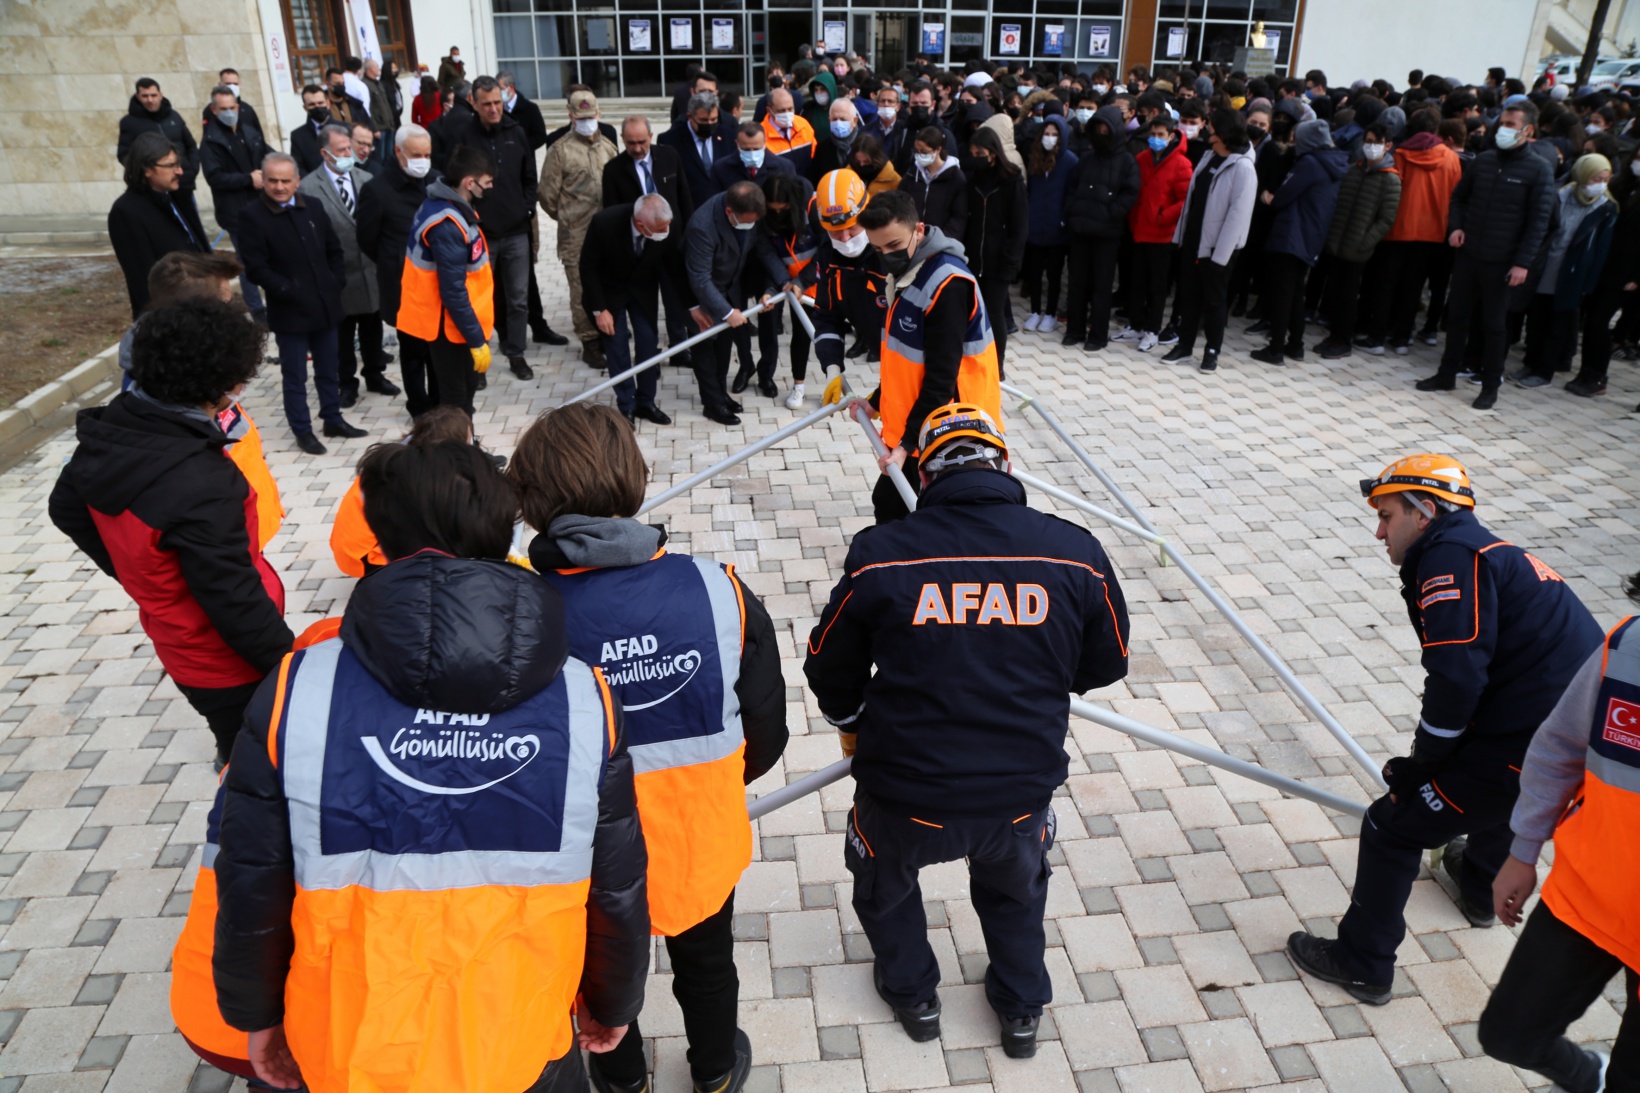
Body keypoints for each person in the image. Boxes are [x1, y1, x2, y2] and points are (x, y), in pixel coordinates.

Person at [211, 439, 649, 1093]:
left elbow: (252, 880)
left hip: (347, 1040)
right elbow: (615, 884)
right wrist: (611, 1001)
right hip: (518, 1036)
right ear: (504, 528)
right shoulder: (585, 696)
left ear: (382, 536)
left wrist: (257, 1015)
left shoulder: (297, 688)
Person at [804, 403, 1130, 1059]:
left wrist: (853, 720)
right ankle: (1020, 1011)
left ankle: (913, 995)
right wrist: (1028, 671)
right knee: (1016, 895)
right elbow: (1108, 661)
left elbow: (826, 661)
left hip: (906, 794)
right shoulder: (1075, 552)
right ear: (1005, 466)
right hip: (1019, 794)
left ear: (923, 474)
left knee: (883, 886)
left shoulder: (882, 554)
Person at [511, 401, 790, 1093]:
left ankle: (624, 1079)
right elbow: (767, 732)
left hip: (582, 862)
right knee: (708, 959)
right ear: (634, 478)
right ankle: (717, 1069)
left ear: (532, 501)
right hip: (700, 838)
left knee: (597, 979)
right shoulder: (719, 589)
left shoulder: (518, 612)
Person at [1287, 455, 1602, 1005]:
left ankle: (1362, 962)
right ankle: (1478, 887)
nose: (1379, 531)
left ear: (1425, 513)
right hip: (1563, 733)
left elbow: (1456, 678)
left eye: (1387, 516)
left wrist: (1421, 768)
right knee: (1501, 784)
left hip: (1532, 738)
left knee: (1392, 823)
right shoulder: (1485, 549)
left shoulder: (1449, 561)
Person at [48, 297, 292, 768]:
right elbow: (233, 601)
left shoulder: (116, 425)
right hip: (228, 661)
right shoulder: (202, 482)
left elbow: (66, 506)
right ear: (215, 383)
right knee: (262, 753)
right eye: (239, 379)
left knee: (230, 731)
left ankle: (230, 757)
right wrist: (290, 665)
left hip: (178, 645)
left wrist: (144, 577)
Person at [1477, 572, 1640, 1093]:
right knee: (1508, 1035)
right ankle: (1582, 1074)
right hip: (1588, 899)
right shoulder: (1628, 646)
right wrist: (1521, 852)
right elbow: (1559, 748)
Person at [853, 190, 1001, 522]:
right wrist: (876, 401)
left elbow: (941, 378)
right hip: (924, 427)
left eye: (893, 245)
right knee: (892, 507)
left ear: (918, 230)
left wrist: (906, 445)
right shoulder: (909, 272)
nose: (886, 256)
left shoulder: (947, 284)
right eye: (877, 249)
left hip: (952, 431)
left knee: (928, 518)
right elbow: (906, 362)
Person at [1416, 102, 1557, 410]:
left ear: (1527, 130)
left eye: (1509, 124)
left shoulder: (1538, 170)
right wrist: (1456, 227)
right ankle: (1446, 374)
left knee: (1494, 325)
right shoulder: (1484, 160)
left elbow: (1539, 223)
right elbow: (1460, 197)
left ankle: (1490, 384)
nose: (1501, 129)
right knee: (1457, 318)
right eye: (1502, 123)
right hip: (1469, 254)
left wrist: (1523, 263)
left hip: (1504, 263)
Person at [237, 152, 368, 454]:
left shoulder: (314, 207)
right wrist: (288, 290)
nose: (280, 187)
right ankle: (302, 430)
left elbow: (334, 250)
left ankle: (332, 419)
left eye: (286, 181)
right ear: (263, 181)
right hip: (289, 311)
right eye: (273, 180)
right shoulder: (252, 216)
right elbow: (256, 267)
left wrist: (335, 283)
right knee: (295, 375)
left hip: (325, 306)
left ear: (297, 181)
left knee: (329, 369)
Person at [298, 124, 397, 410]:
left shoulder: (366, 179)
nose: (348, 154)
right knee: (343, 335)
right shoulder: (309, 187)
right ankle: (347, 383)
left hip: (369, 270)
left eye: (348, 149)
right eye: (341, 150)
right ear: (325, 153)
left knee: (372, 328)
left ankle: (375, 374)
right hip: (338, 275)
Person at [450, 76, 538, 382]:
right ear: (473, 103)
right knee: (479, 299)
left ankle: (516, 353)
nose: (493, 109)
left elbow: (530, 176)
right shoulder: (462, 135)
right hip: (479, 234)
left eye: (498, 102)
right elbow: (455, 182)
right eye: (486, 103)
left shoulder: (517, 131)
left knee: (518, 297)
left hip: (516, 231)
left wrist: (527, 207)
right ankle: (479, 358)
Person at [684, 181, 793, 426]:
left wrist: (783, 282)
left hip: (729, 288)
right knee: (705, 351)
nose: (749, 226)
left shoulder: (750, 210)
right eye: (745, 221)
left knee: (723, 349)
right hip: (700, 295)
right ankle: (712, 405)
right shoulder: (702, 226)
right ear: (729, 212)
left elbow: (764, 249)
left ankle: (720, 395)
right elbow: (700, 278)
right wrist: (725, 310)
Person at [399, 144, 497, 416]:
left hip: (451, 323)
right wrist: (476, 339)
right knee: (457, 401)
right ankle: (456, 455)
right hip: (447, 326)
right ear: (470, 182)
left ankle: (467, 451)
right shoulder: (448, 224)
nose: (489, 188)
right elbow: (453, 291)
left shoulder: (443, 204)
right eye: (487, 183)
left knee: (463, 398)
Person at [1161, 109, 1257, 373]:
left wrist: (1220, 257)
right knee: (1189, 296)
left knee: (1214, 301)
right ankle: (1184, 345)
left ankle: (1212, 350)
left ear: (1225, 134)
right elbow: (1192, 201)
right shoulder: (1208, 156)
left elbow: (1237, 217)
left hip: (1218, 248)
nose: (1207, 134)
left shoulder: (1243, 168)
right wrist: (1179, 236)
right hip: (1194, 239)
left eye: (1212, 130)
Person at [328, 405, 475, 577]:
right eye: (469, 440)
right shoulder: (412, 476)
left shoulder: (402, 456)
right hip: (364, 557)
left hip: (354, 548)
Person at [1362, 108, 1463, 354]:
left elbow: (1390, 193)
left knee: (1386, 284)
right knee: (1413, 286)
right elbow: (1456, 196)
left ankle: (1376, 338)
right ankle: (1401, 339)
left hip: (1398, 228)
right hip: (1432, 233)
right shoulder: (1451, 159)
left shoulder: (1401, 155)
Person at [1249, 119, 1348, 366]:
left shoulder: (1309, 163)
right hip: (1310, 236)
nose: (1293, 142)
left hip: (1291, 235)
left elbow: (1282, 197)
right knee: (1295, 292)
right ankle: (1296, 345)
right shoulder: (1331, 163)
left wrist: (1270, 197)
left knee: (1282, 293)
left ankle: (1275, 350)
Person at [1516, 154, 1617, 389]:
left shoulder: (1606, 209)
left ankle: (1544, 371)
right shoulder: (1561, 196)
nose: (1600, 183)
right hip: (1546, 266)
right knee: (1537, 320)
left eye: (1605, 178)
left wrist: (1587, 285)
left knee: (1557, 326)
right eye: (1595, 178)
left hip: (1572, 274)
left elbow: (1600, 252)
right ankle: (1530, 364)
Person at [580, 195, 683, 424]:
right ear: (640, 225)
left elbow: (674, 267)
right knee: (616, 348)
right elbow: (588, 267)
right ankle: (626, 403)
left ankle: (646, 402)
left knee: (648, 343)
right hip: (610, 292)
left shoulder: (666, 223)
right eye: (659, 228)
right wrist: (599, 310)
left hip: (643, 290)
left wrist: (690, 307)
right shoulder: (604, 223)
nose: (665, 231)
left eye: (667, 226)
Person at [606, 114, 698, 370]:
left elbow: (684, 198)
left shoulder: (670, 156)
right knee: (645, 306)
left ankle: (679, 348)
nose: (636, 148)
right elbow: (612, 213)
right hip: (639, 251)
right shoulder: (613, 170)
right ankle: (649, 357)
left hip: (672, 243)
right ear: (623, 140)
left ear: (651, 137)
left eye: (641, 142)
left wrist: (689, 237)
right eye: (630, 143)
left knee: (675, 300)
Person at [358, 123, 437, 415]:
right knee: (414, 353)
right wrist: (393, 262)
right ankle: (418, 407)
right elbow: (367, 239)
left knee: (437, 353)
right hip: (403, 287)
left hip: (436, 286)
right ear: (398, 152)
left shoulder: (436, 182)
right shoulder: (376, 190)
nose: (422, 161)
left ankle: (441, 404)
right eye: (416, 154)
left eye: (427, 155)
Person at [540, 89, 618, 371]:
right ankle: (590, 343)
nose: (587, 121)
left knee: (608, 284)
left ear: (598, 114)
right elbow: (547, 197)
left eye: (590, 116)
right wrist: (568, 219)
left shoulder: (608, 146)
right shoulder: (559, 151)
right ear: (570, 115)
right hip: (576, 235)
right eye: (580, 116)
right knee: (581, 290)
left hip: (606, 233)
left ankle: (608, 332)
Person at [1314, 121, 1402, 359]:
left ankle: (1343, 340)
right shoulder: (1353, 169)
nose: (1371, 146)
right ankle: (1333, 336)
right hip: (1337, 242)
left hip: (1358, 248)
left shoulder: (1390, 179)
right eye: (1368, 141)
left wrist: (1365, 242)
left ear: (1388, 146)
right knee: (1333, 292)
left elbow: (1386, 219)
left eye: (1377, 142)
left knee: (1348, 296)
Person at [1060, 105, 1140, 352]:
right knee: (1077, 284)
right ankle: (1074, 329)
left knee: (1101, 288)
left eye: (1106, 128)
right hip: (1081, 230)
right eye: (1098, 128)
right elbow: (1072, 188)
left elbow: (1130, 193)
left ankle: (1098, 334)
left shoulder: (1127, 161)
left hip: (1107, 234)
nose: (1102, 133)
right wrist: (1072, 211)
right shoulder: (1087, 158)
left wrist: (1110, 212)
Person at [108, 132, 210, 319]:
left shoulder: (177, 195)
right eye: (171, 165)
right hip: (173, 319)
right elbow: (143, 280)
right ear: (147, 169)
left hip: (203, 307)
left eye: (178, 164)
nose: (179, 171)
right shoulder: (126, 212)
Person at [742, 173, 820, 404]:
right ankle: (799, 386)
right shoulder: (764, 219)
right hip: (791, 286)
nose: (777, 214)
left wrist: (803, 281)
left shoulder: (814, 209)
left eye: (782, 209)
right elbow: (767, 253)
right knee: (800, 335)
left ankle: (837, 385)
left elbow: (827, 250)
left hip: (818, 282)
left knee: (826, 336)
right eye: (772, 210)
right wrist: (778, 285)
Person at [810, 168, 889, 390]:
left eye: (852, 228)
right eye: (835, 232)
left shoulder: (891, 250)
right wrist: (832, 368)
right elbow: (827, 316)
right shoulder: (828, 253)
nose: (844, 239)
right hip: (884, 358)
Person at [200, 85, 269, 322]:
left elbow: (266, 153)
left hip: (261, 205)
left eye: (232, 107)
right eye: (223, 109)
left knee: (269, 255)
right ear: (214, 109)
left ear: (238, 107)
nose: (229, 112)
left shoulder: (249, 131)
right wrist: (248, 179)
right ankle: (256, 308)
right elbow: (215, 177)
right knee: (247, 261)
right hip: (236, 212)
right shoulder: (211, 142)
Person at [1124, 113, 1192, 352]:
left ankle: (1152, 330)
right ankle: (1136, 325)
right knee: (1136, 282)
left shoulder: (1181, 163)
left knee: (1157, 286)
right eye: (1152, 134)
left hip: (1162, 235)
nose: (1155, 139)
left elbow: (1185, 201)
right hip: (1139, 230)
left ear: (1171, 136)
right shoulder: (1142, 158)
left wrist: (1163, 216)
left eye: (1160, 135)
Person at [962, 128, 1027, 377]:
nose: (976, 157)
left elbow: (1019, 227)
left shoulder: (1012, 180)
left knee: (995, 313)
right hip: (973, 258)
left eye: (980, 153)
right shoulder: (973, 178)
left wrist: (1011, 262)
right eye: (972, 153)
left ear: (993, 152)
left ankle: (996, 364)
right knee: (971, 312)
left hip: (999, 260)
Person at [1021, 117, 1075, 336]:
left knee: (1054, 273)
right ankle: (1035, 311)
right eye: (1046, 133)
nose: (1049, 138)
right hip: (1035, 224)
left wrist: (1064, 218)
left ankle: (1051, 314)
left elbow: (1071, 193)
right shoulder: (1034, 158)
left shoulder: (1070, 161)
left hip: (1056, 227)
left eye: (1054, 134)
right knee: (1034, 271)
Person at [117, 78, 200, 213]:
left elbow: (190, 145)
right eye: (145, 96)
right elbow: (124, 155)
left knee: (191, 226)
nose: (150, 100)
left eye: (153, 95)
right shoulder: (129, 123)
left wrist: (192, 169)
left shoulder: (174, 116)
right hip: (155, 189)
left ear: (160, 94)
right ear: (138, 97)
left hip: (184, 183)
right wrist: (147, 174)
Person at [664, 90, 731, 212]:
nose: (709, 124)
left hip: (723, 210)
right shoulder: (670, 140)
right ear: (690, 116)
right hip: (689, 211)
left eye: (713, 119)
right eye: (704, 120)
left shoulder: (729, 136)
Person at [898, 127, 968, 240]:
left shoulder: (955, 177)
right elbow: (900, 204)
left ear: (938, 150)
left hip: (942, 241)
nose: (919, 155)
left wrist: (943, 241)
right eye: (916, 151)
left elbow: (959, 217)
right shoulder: (912, 174)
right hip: (913, 238)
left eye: (924, 152)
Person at [712, 122, 799, 192]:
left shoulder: (784, 168)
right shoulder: (721, 169)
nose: (752, 153)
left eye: (756, 149)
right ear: (737, 144)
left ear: (765, 142)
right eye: (746, 149)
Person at [761, 88, 818, 176]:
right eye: (781, 110)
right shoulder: (761, 135)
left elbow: (814, 155)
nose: (787, 113)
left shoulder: (803, 125)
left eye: (790, 109)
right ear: (769, 110)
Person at [200, 68, 263, 135]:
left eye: (235, 84)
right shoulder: (210, 110)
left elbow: (258, 133)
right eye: (228, 83)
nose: (232, 86)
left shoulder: (247, 109)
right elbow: (209, 135)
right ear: (220, 84)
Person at [289, 85, 332, 176]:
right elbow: (297, 166)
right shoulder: (298, 136)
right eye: (312, 104)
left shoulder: (345, 129)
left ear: (328, 103)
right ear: (305, 108)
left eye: (320, 103)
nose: (317, 107)